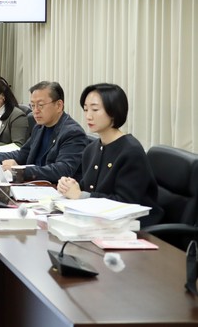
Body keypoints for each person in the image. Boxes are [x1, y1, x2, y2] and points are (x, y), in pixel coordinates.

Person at [56, 83, 162, 226]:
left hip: (131, 227)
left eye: (95, 109)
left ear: (113, 111)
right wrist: (70, 186)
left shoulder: (131, 151)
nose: (88, 116)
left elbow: (126, 203)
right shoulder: (91, 149)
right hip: (97, 221)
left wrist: (81, 195)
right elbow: (87, 187)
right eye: (86, 109)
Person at [0, 81, 89, 184]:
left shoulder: (73, 133)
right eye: (33, 106)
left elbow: (62, 170)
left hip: (54, 188)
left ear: (59, 105)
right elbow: (23, 154)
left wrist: (21, 171)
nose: (35, 111)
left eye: (40, 105)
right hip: (34, 184)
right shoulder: (39, 127)